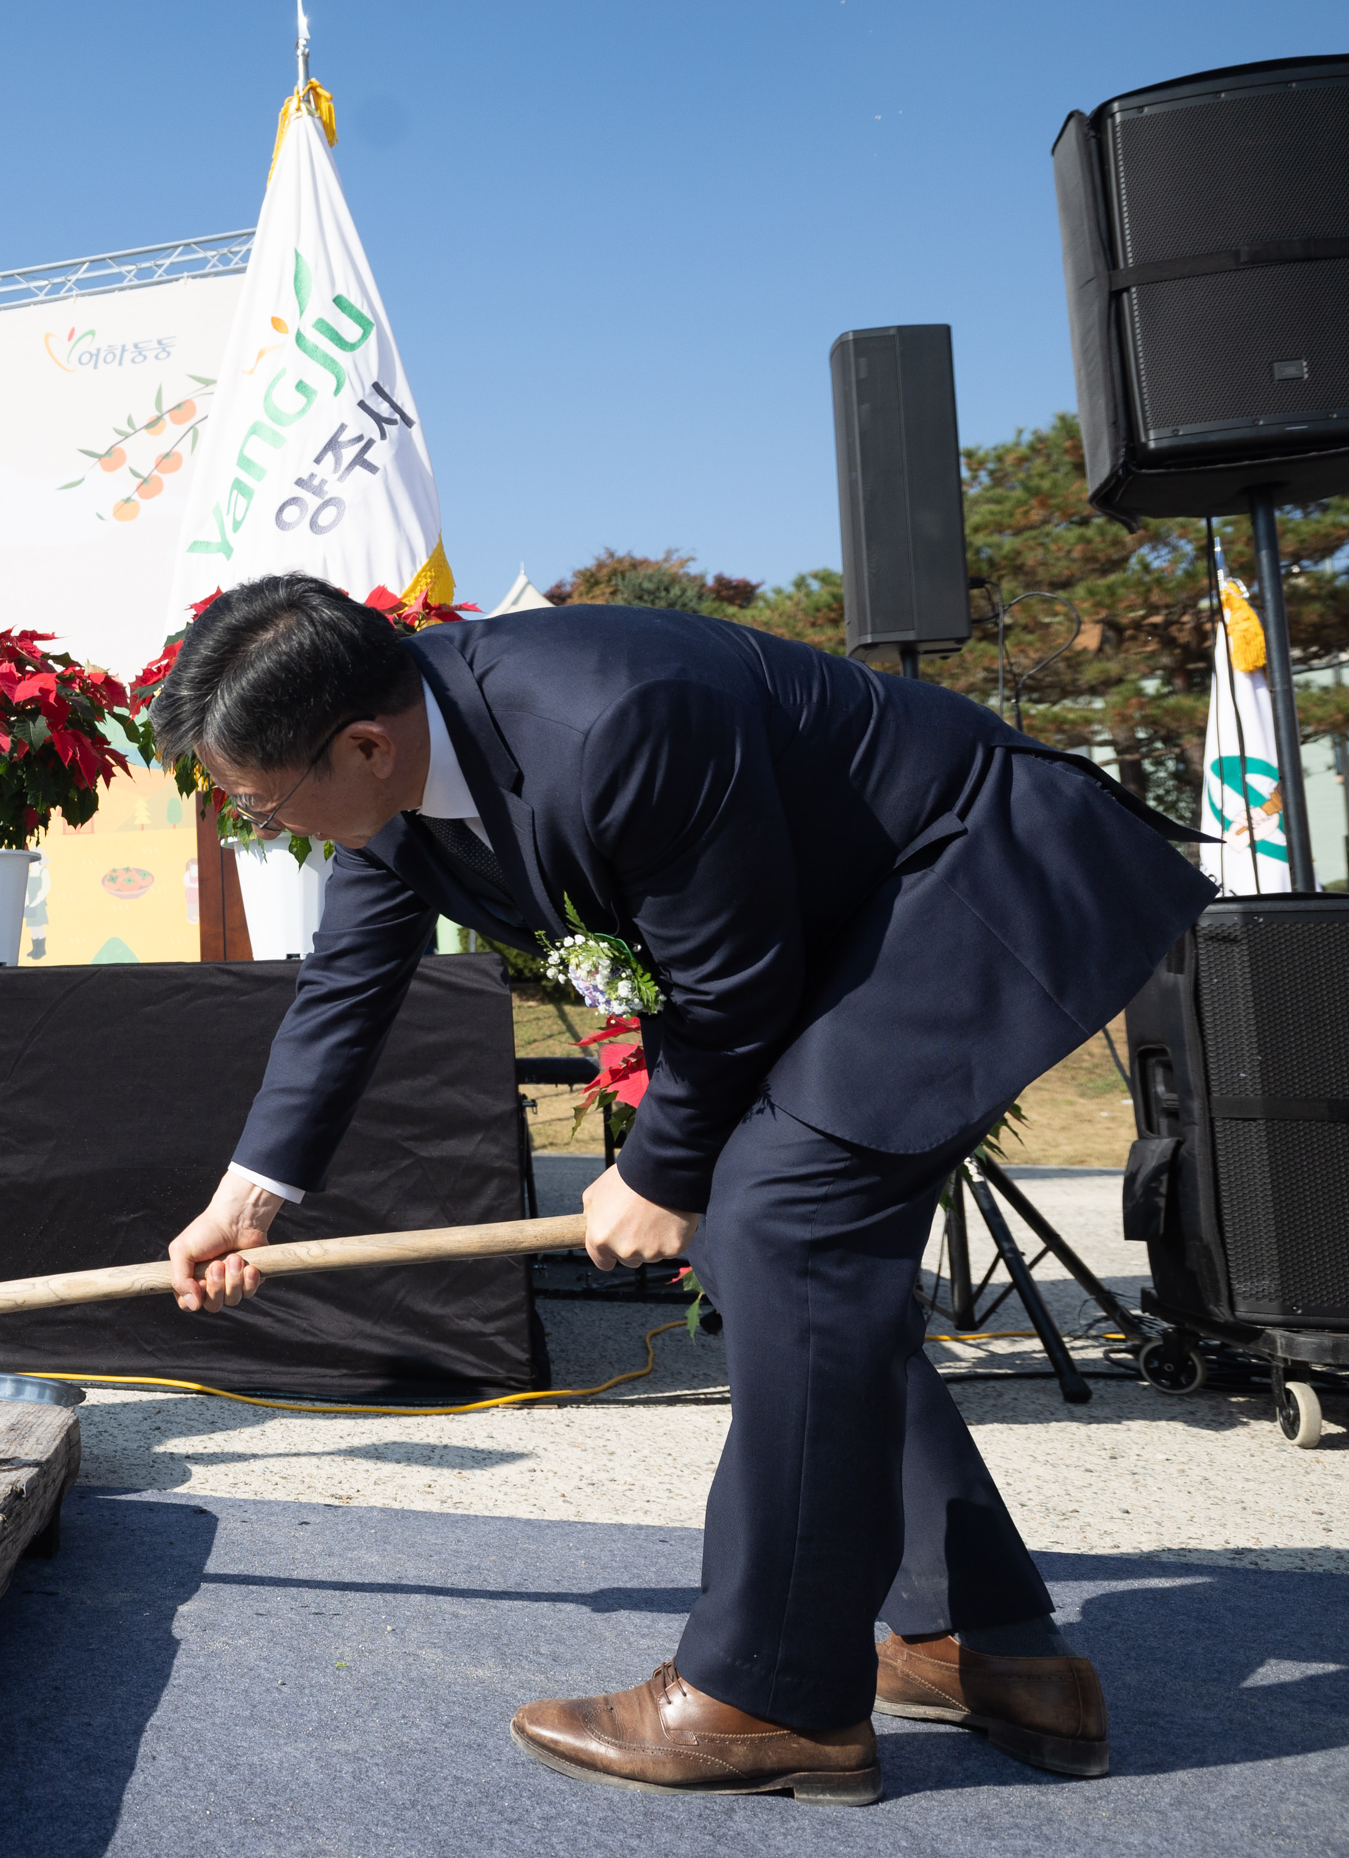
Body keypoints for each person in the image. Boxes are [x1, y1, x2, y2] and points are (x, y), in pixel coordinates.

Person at [149, 575, 1211, 1804]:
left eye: (263, 803)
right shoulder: (396, 770)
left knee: (780, 1225)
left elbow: (736, 988)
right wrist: (250, 1195)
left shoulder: (615, 722)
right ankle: (987, 1641)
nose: (266, 828)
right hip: (847, 918)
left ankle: (768, 1695)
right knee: (799, 1267)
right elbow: (346, 984)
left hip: (974, 874)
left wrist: (657, 1168)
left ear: (363, 744)